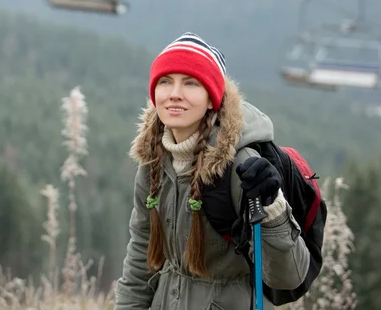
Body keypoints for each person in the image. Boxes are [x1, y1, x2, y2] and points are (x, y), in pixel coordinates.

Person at [114, 32, 310, 310]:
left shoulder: (240, 165)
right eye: (165, 81)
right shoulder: (153, 161)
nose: (174, 94)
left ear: (211, 99)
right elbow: (140, 256)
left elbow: (288, 276)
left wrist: (272, 208)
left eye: (191, 83)